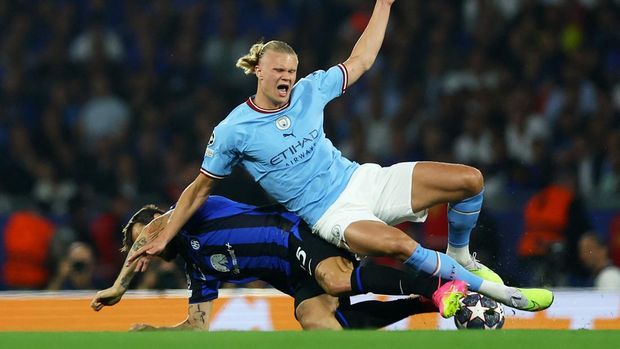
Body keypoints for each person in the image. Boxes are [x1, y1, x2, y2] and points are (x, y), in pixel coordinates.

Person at [129, 0, 553, 314]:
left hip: (362, 179)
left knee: (469, 181)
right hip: (331, 214)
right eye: (278, 71)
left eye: (291, 72)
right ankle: (497, 292)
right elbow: (199, 189)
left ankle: (461, 256)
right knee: (400, 245)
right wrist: (165, 235)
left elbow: (362, 59)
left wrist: (383, 4)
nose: (286, 78)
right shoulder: (233, 130)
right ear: (258, 70)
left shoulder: (309, 90)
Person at [91, 197, 455, 330]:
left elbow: (159, 224)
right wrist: (156, 333)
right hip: (293, 276)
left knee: (335, 280)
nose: (149, 244)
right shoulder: (198, 267)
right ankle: (422, 302)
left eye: (149, 235)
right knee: (318, 323)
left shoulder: (194, 212)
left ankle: (436, 285)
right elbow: (196, 328)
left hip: (295, 233)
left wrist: (120, 286)